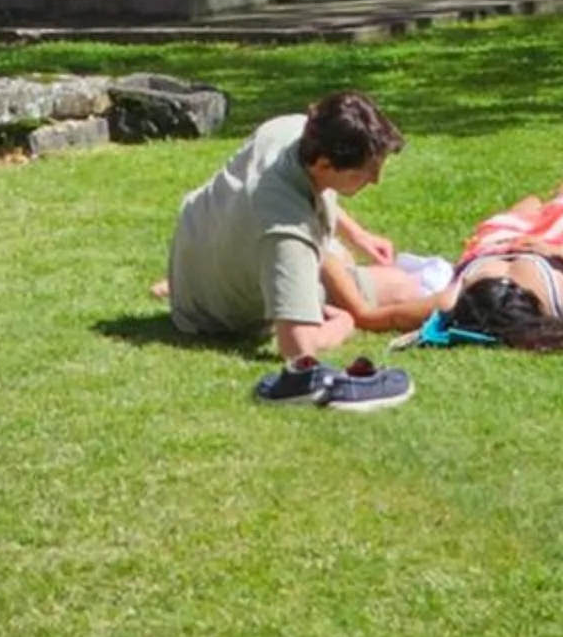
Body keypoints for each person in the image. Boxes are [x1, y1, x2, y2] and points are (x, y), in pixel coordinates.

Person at [164, 89, 420, 410]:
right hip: (216, 317)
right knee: (401, 286)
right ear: (325, 164)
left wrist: (358, 234)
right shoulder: (285, 233)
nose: (376, 180)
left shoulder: (290, 130)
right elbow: (298, 351)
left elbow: (311, 193)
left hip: (196, 267)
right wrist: (343, 325)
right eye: (364, 172)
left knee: (342, 258)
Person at [413, 181, 563, 353]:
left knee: (533, 202)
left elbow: (388, 317)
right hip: (542, 244)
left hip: (500, 245)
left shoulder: (451, 300)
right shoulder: (560, 299)